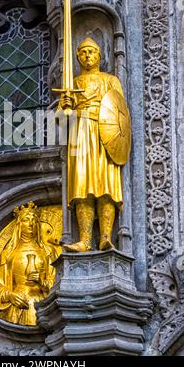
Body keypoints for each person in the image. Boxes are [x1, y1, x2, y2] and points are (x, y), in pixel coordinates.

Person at [60, 36, 129, 252]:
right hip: (80, 133)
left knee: (105, 186)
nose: (87, 56)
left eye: (91, 51)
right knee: (83, 187)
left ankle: (106, 236)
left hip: (104, 134)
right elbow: (60, 120)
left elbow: (120, 111)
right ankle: (85, 240)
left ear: (99, 55)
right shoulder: (72, 84)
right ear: (78, 56)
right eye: (83, 52)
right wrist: (66, 107)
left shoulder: (110, 80)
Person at [0, 201, 56, 326]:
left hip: (43, 305)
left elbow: (59, 282)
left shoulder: (48, 252)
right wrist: (10, 295)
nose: (31, 224)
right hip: (18, 306)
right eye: (26, 220)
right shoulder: (7, 254)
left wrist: (42, 282)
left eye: (34, 220)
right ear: (19, 224)